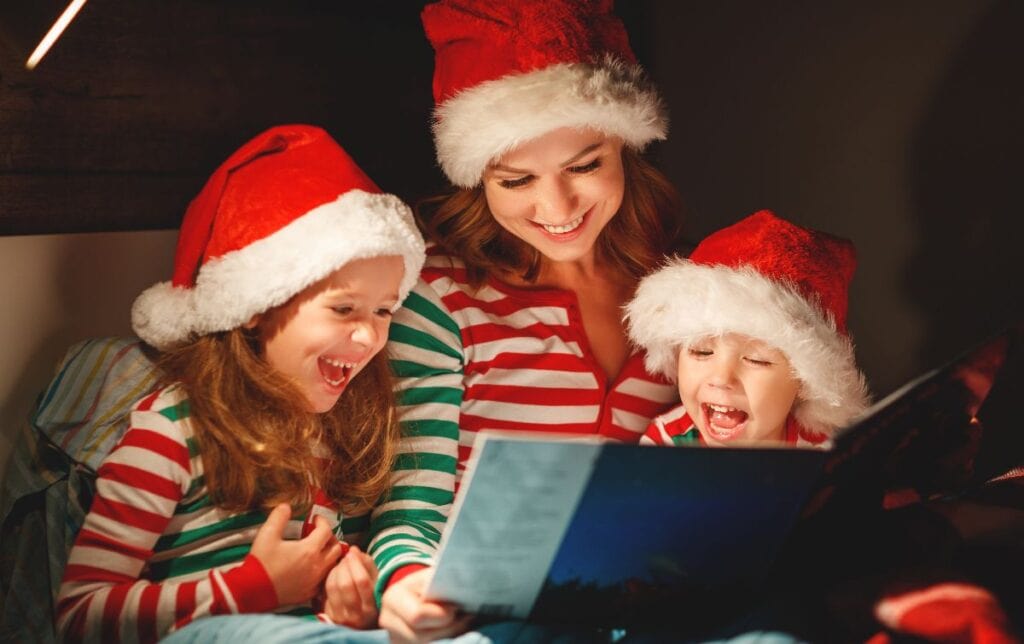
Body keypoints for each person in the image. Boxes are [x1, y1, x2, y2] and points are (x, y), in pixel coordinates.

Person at [374, 0, 687, 640]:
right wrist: (406, 584)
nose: (558, 206)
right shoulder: (440, 294)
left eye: (585, 165)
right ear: (476, 179)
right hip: (499, 614)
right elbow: (412, 510)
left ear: (624, 145)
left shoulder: (683, 287)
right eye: (516, 180)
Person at [55, 124, 426, 642]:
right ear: (255, 309)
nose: (369, 335)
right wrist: (248, 588)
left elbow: (300, 602)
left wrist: (342, 593)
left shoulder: (327, 432)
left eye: (384, 310)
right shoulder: (172, 430)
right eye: (343, 308)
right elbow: (79, 616)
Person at [626, 210, 871, 449]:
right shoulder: (665, 445)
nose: (721, 378)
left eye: (756, 360)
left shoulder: (822, 452)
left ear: (806, 383)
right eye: (702, 352)